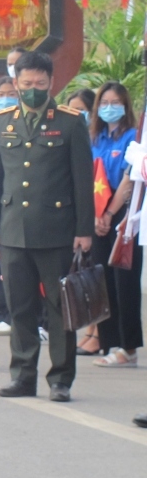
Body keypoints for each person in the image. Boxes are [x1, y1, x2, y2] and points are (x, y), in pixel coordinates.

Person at [0, 50, 94, 402]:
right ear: (15, 83)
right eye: (26, 83)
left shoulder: (70, 121)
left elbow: (81, 181)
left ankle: (60, 379)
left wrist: (84, 230)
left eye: (40, 84)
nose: (33, 89)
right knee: (20, 307)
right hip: (14, 229)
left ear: (52, 83)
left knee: (61, 310)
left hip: (57, 231)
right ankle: (23, 375)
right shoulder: (2, 121)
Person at [89, 82, 141, 366]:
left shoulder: (133, 137)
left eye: (115, 102)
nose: (109, 107)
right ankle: (109, 343)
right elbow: (89, 175)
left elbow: (128, 179)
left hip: (122, 213)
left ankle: (128, 347)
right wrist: (96, 214)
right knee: (102, 280)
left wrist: (109, 213)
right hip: (97, 212)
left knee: (125, 282)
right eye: (104, 102)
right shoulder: (96, 138)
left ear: (125, 105)